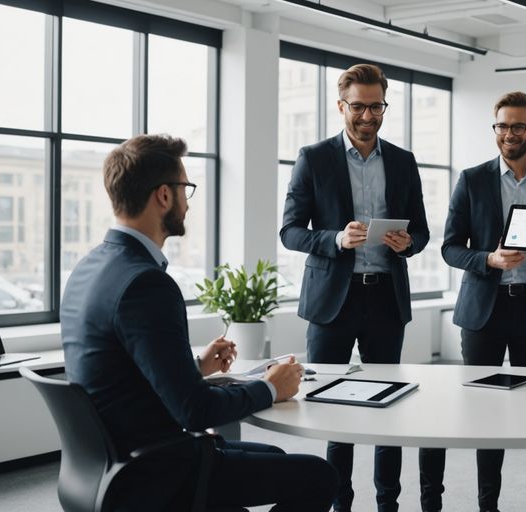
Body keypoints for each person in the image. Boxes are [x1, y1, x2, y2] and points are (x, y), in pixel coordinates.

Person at [61, 134, 337, 511]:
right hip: (158, 470)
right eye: (185, 189)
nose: (187, 204)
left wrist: (195, 367)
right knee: (318, 476)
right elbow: (196, 411)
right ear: (163, 196)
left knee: (272, 454)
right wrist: (271, 388)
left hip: (116, 462)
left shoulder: (90, 267)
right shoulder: (146, 283)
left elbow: (123, 372)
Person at [280, 63, 430, 512]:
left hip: (385, 296)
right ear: (341, 105)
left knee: (391, 406)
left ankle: (388, 503)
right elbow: (290, 231)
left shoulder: (402, 161)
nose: (368, 116)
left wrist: (407, 244)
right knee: (330, 408)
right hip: (332, 303)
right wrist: (335, 239)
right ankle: (338, 503)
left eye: (377, 106)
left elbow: (422, 231)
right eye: (359, 107)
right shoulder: (314, 157)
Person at [420, 91, 526, 512]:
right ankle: (486, 503)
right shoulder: (472, 180)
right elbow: (450, 248)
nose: (509, 134)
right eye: (502, 126)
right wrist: (488, 258)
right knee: (483, 411)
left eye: (518, 126)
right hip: (483, 311)